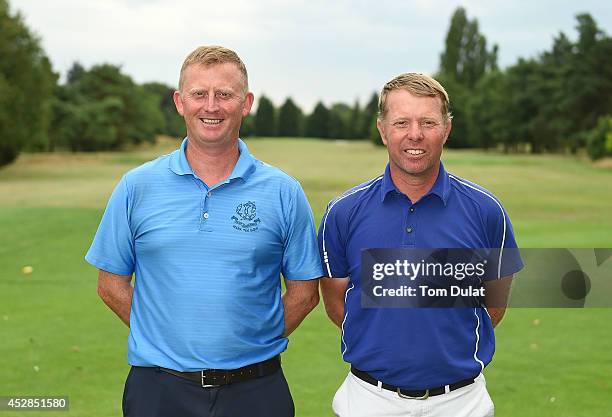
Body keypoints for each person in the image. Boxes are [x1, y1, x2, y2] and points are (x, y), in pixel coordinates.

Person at [86, 45, 322, 417]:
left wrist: (250, 341)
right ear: (180, 102)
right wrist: (164, 336)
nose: (210, 106)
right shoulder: (137, 186)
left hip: (257, 391)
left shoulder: (283, 191)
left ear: (246, 103)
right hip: (158, 391)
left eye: (224, 94)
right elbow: (110, 284)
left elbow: (306, 293)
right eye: (199, 94)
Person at [318, 73, 523, 417]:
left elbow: (494, 306)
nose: (415, 134)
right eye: (402, 122)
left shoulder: (487, 211)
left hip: (461, 403)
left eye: (428, 122)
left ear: (446, 129)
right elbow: (337, 305)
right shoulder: (343, 212)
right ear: (383, 130)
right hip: (368, 400)